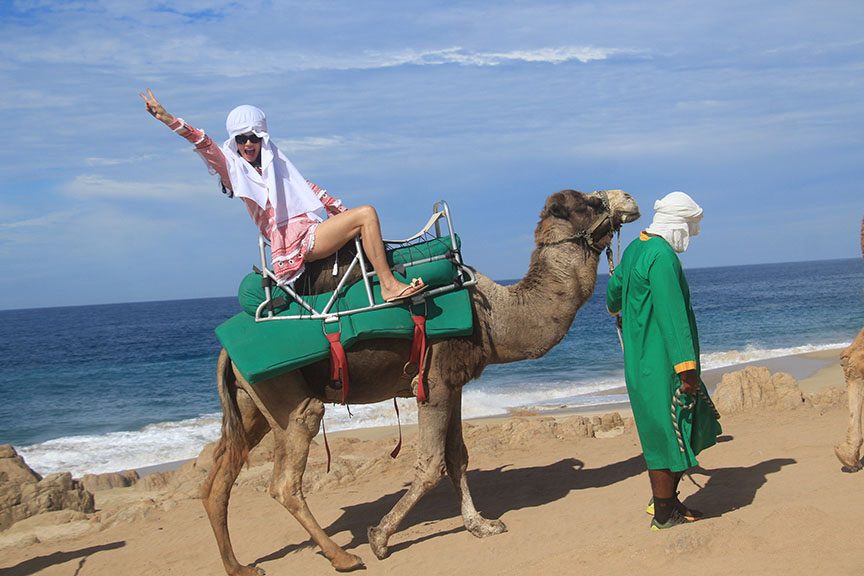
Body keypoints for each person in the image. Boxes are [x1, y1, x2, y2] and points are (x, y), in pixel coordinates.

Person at [140, 89, 425, 303]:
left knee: (360, 218)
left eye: (253, 137)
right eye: (241, 139)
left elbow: (316, 194)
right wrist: (168, 119)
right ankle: (388, 286)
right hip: (298, 243)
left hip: (313, 230)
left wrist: (341, 215)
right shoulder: (234, 170)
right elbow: (204, 143)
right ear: (235, 142)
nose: (248, 143)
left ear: (262, 138)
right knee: (367, 214)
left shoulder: (278, 166)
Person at [606, 191, 722, 530]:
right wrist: (686, 370)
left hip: (640, 364)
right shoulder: (662, 257)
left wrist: (619, 306)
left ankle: (666, 502)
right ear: (678, 225)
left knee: (665, 433)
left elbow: (614, 289)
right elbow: (673, 319)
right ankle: (664, 512)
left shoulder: (636, 248)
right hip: (663, 364)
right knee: (671, 434)